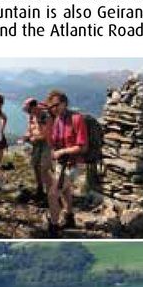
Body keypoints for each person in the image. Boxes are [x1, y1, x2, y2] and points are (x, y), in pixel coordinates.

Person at [46, 89, 89, 234]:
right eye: (51, 106)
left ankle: (53, 226)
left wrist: (62, 152)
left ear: (64, 103)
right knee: (65, 191)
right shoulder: (58, 120)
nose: (54, 109)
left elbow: (82, 147)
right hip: (62, 164)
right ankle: (69, 217)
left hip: (75, 164)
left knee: (53, 194)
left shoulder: (76, 119)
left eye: (56, 105)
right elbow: (55, 143)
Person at [22, 96, 58, 224]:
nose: (28, 113)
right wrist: (27, 136)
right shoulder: (32, 115)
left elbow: (47, 134)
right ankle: (40, 189)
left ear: (34, 106)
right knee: (35, 166)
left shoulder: (46, 115)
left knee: (44, 168)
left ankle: (51, 195)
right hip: (36, 143)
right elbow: (30, 129)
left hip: (47, 144)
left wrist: (32, 138)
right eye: (27, 111)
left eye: (29, 110)